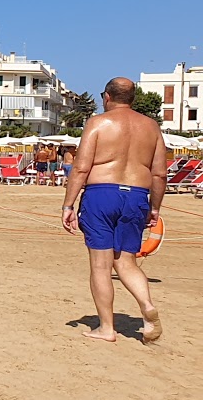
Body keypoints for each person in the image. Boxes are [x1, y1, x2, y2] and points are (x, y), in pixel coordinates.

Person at [61, 77, 167, 344]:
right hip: (137, 195)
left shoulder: (97, 123)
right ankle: (146, 305)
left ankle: (107, 328)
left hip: (102, 194)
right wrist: (155, 207)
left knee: (100, 264)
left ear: (106, 97)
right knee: (126, 259)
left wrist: (68, 205)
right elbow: (159, 174)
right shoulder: (151, 126)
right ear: (133, 98)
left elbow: (82, 168)